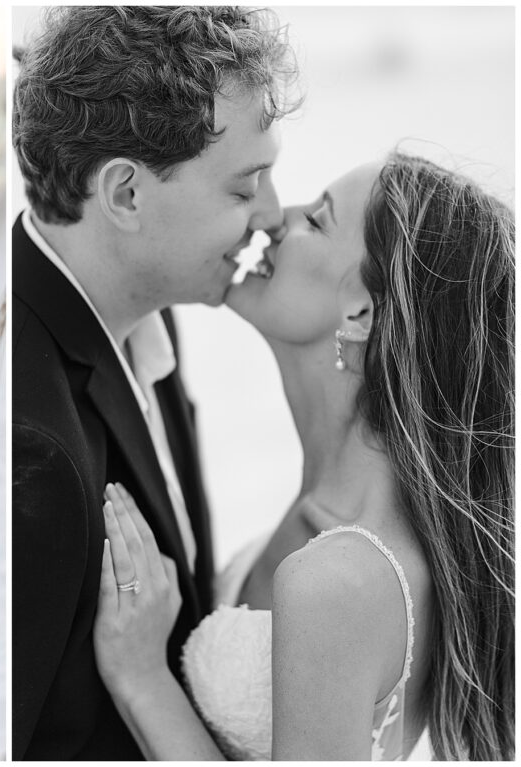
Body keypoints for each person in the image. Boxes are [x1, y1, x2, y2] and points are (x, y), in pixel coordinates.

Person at [95, 154, 515, 760]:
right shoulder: (329, 520)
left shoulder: (339, 581)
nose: (271, 220)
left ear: (361, 313)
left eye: (316, 220)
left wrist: (142, 679)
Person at [11, 5, 299, 760]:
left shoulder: (146, 312)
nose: (271, 215)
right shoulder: (28, 445)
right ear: (127, 195)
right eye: (244, 188)